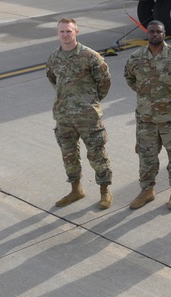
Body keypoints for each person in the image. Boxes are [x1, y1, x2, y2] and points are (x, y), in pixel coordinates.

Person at [123, 21, 171, 210]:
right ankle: (146, 191)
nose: (155, 34)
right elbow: (130, 78)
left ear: (164, 34)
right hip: (146, 119)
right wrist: (145, 97)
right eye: (152, 31)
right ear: (147, 33)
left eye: (159, 31)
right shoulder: (136, 57)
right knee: (146, 157)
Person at [46, 18, 113, 209]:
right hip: (64, 116)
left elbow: (104, 81)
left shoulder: (90, 56)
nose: (65, 35)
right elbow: (53, 80)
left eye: (69, 31)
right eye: (62, 32)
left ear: (77, 32)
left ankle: (105, 191)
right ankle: (76, 189)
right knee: (69, 155)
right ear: (58, 34)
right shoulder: (53, 58)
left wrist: (90, 101)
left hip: (88, 117)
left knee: (97, 154)